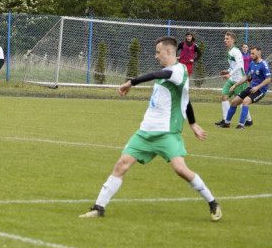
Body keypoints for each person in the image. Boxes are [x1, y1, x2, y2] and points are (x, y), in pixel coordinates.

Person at [80, 36, 222, 222]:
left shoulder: (178, 71)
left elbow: (157, 76)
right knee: (121, 165)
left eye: (158, 52)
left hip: (167, 133)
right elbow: (184, 101)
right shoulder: (169, 73)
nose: (156, 56)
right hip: (145, 132)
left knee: (180, 169)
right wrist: (193, 123)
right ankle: (98, 208)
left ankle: (212, 203)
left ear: (169, 51)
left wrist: (131, 82)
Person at [221, 45, 271, 129]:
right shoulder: (252, 63)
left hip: (260, 90)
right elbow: (246, 77)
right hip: (251, 87)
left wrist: (257, 87)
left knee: (245, 101)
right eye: (250, 53)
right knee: (234, 102)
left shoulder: (264, 64)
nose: (251, 55)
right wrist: (235, 85)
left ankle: (241, 125)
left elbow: (268, 79)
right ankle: (227, 123)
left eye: (253, 54)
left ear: (258, 53)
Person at [214, 32, 245, 127]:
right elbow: (233, 65)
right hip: (232, 79)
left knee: (241, 101)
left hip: (239, 80)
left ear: (233, 40)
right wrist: (227, 71)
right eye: (225, 38)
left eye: (227, 39)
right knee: (224, 96)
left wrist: (230, 74)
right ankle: (225, 120)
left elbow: (240, 65)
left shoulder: (236, 51)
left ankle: (248, 120)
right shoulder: (230, 51)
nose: (225, 40)